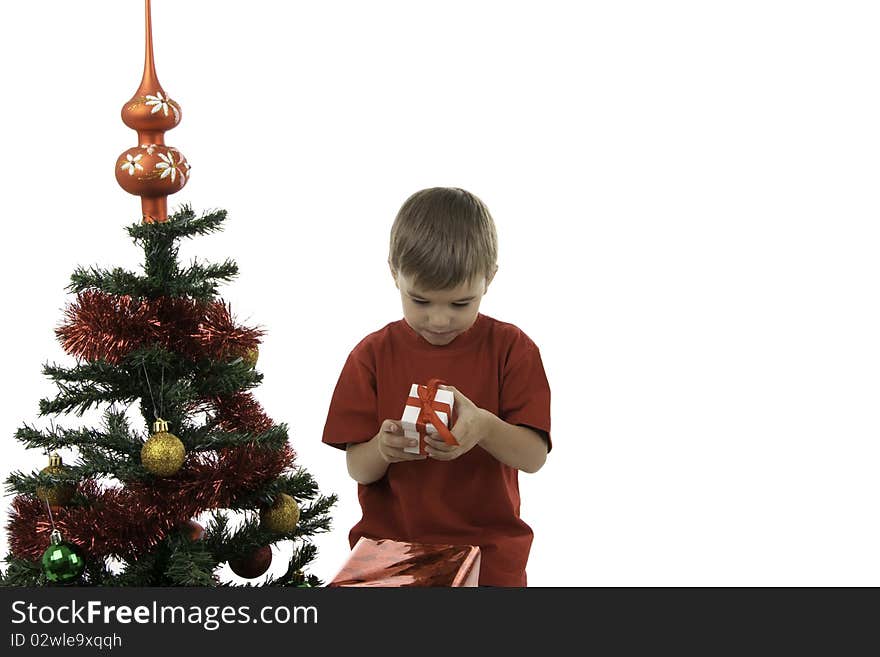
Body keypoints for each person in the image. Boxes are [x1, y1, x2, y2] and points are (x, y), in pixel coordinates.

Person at [322, 187, 551, 586]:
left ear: (489, 279)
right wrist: (383, 448)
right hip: (389, 552)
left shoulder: (513, 349)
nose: (440, 320)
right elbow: (357, 466)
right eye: (421, 301)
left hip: (489, 555)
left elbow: (533, 458)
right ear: (394, 273)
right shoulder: (371, 355)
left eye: (461, 304)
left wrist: (483, 427)